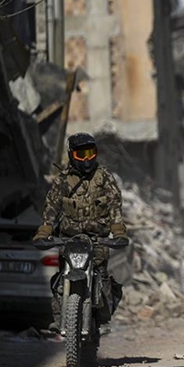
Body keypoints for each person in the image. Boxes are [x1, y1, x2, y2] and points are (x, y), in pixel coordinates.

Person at [32, 132, 129, 333]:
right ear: (71, 155)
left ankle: (102, 316)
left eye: (90, 153)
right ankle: (60, 319)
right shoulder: (63, 180)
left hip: (97, 240)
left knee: (102, 277)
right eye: (80, 154)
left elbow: (114, 205)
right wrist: (44, 232)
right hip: (69, 239)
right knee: (60, 279)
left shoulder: (104, 177)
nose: (86, 159)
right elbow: (51, 207)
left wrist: (118, 232)